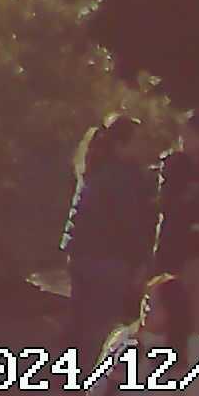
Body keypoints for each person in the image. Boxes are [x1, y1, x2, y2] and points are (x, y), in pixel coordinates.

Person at [67, 116, 159, 357]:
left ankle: (71, 372)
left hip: (80, 253)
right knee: (104, 326)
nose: (143, 146)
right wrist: (141, 260)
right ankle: (97, 379)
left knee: (81, 320)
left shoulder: (93, 167)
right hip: (109, 257)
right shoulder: (125, 177)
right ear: (121, 145)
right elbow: (130, 224)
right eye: (137, 141)